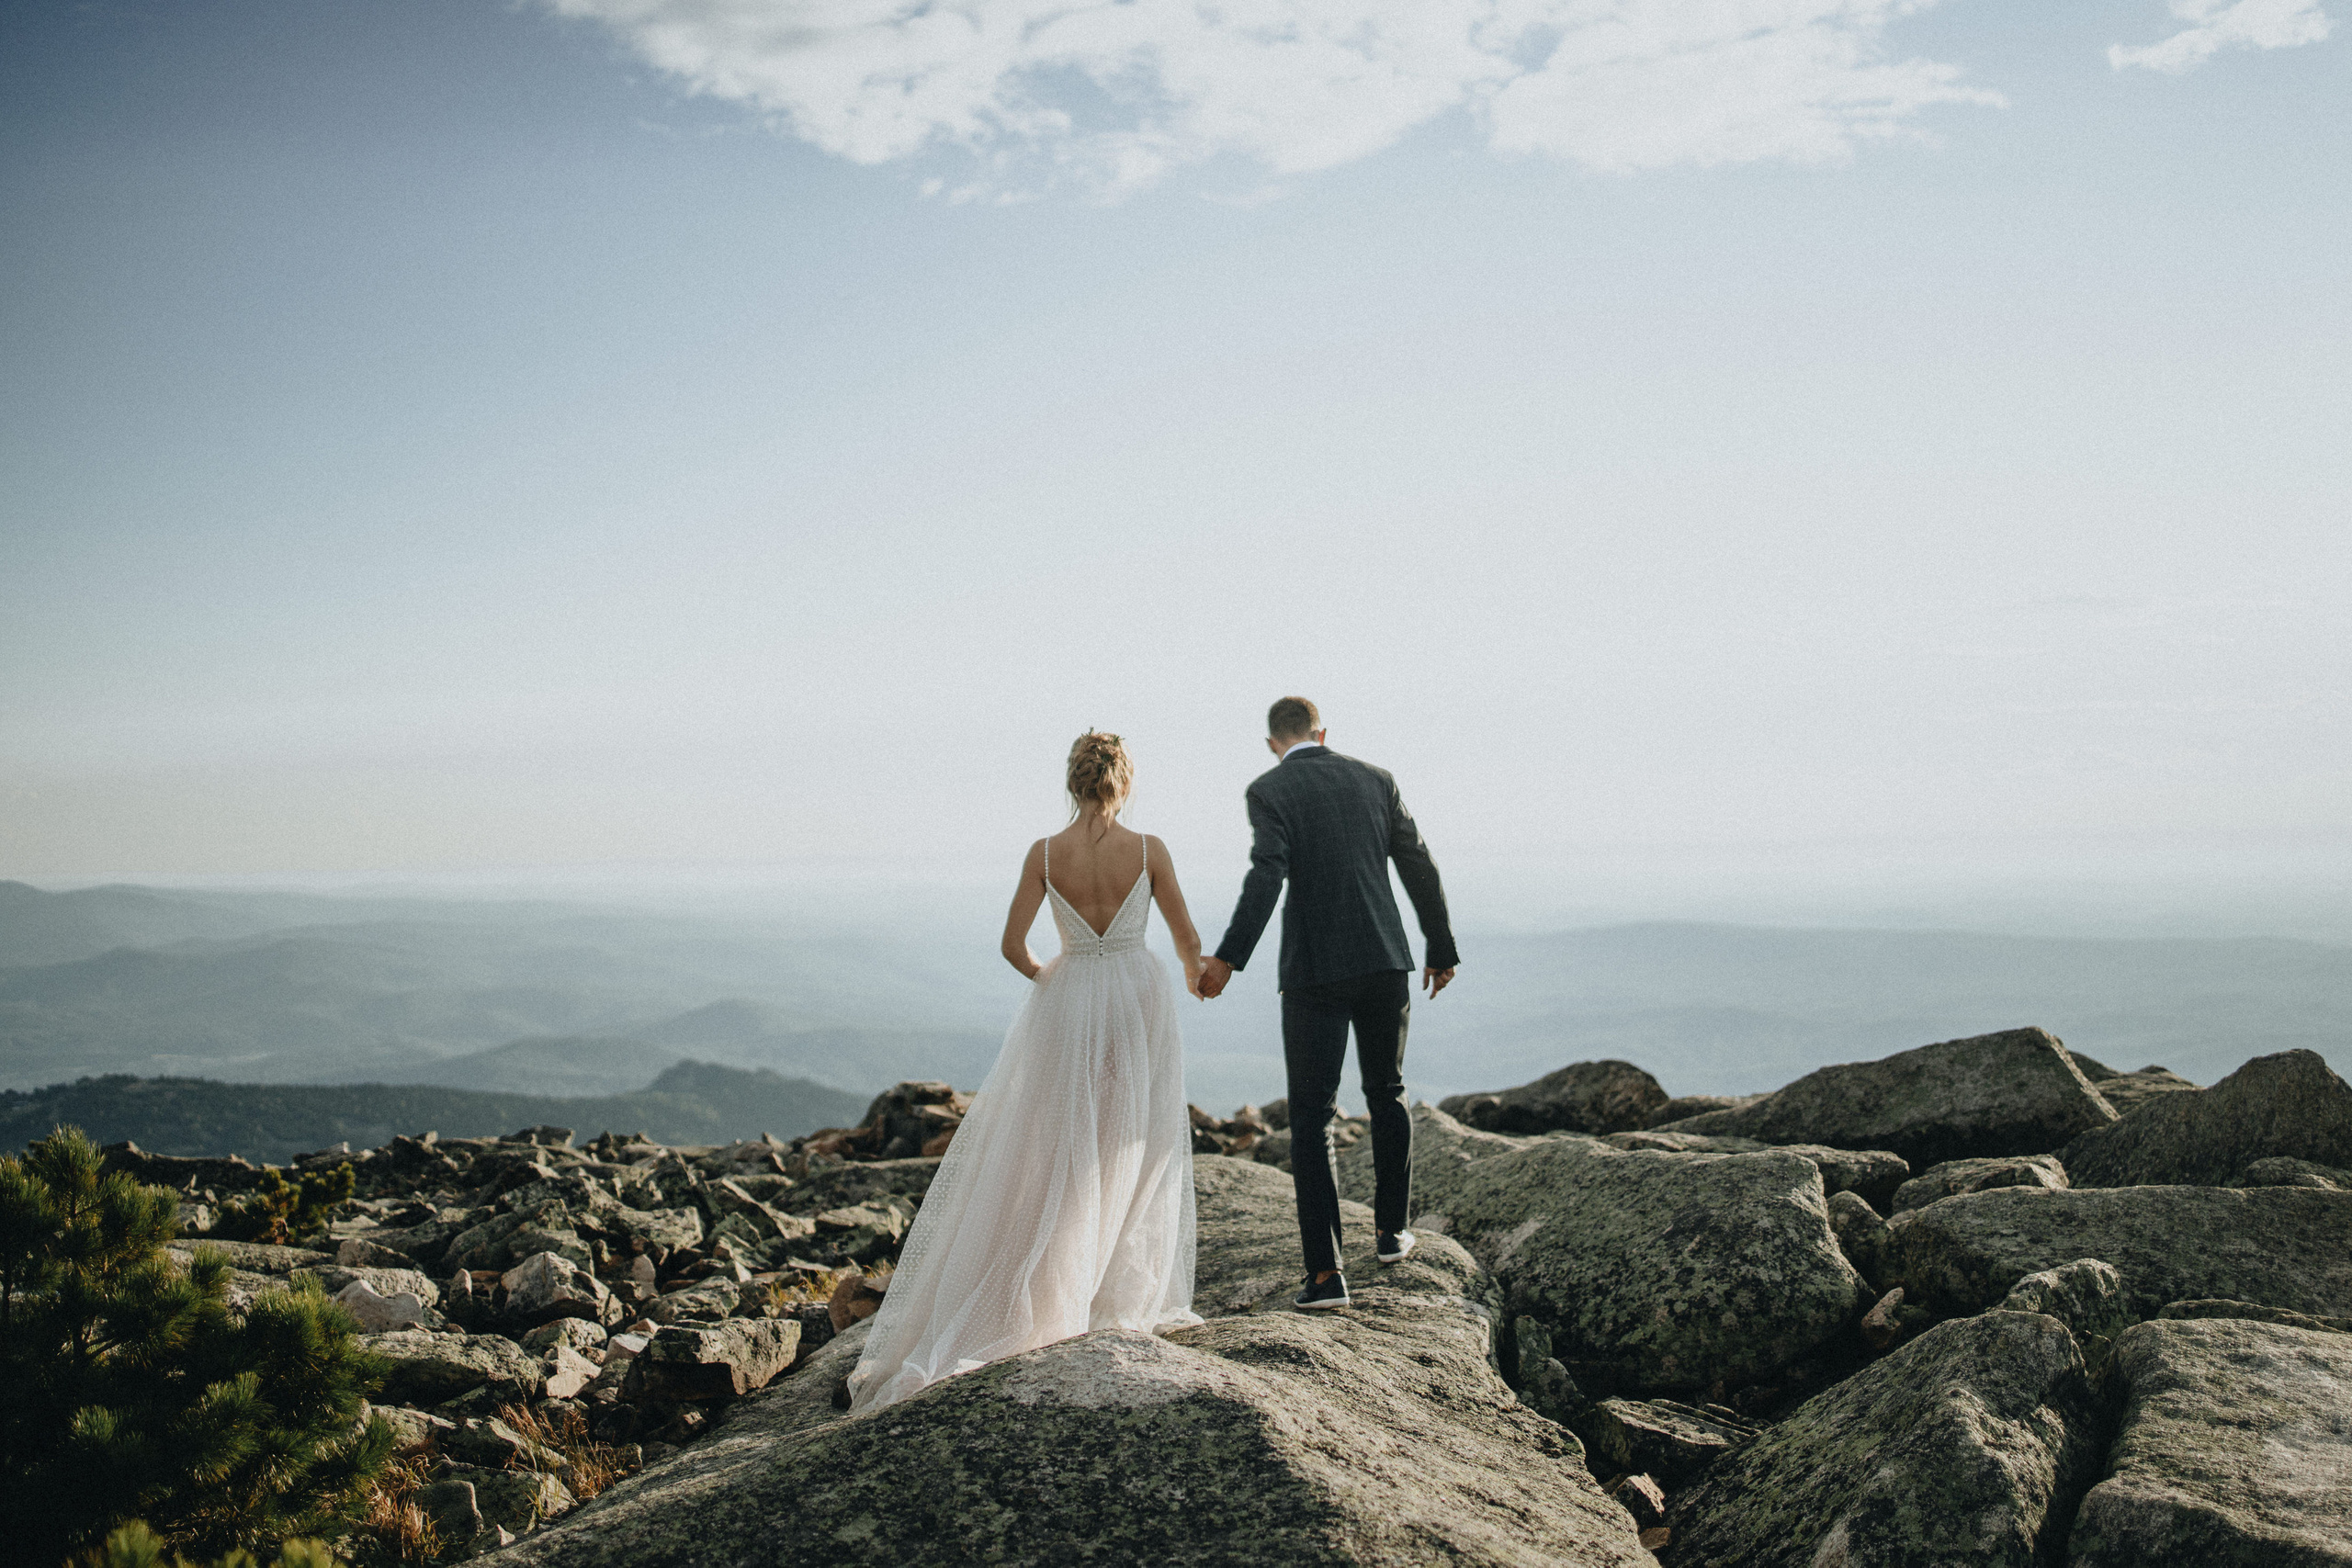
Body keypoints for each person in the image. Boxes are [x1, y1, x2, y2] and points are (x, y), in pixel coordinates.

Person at [845, 731, 1206, 1412]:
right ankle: (1111, 1290)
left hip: (1070, 1001)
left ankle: (1048, 1283)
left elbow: (1014, 946)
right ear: (1124, 781)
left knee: (1063, 1143)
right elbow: (1187, 941)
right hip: (1137, 996)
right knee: (1133, 1138)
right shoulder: (1149, 849)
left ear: (1072, 783)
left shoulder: (1045, 853)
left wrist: (1057, 979)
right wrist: (1198, 973)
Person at [1198, 696, 1459, 1311]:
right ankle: (1393, 1233)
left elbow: (1267, 875)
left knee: (1312, 1117)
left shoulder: (1269, 789)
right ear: (1323, 732)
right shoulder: (1376, 779)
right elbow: (1418, 862)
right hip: (1384, 958)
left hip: (1315, 969)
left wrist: (1229, 959)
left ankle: (1326, 1276)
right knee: (1387, 1092)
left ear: (1273, 743)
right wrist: (1440, 946)